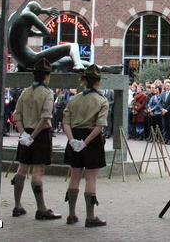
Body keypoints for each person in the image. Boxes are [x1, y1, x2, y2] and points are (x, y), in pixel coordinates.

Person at [11, 58, 61, 220]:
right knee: (37, 171)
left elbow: (17, 115)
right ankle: (41, 208)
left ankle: (17, 205)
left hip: (25, 132)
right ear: (46, 76)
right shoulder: (47, 93)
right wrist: (32, 137)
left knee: (22, 168)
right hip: (40, 135)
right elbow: (45, 118)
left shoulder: (25, 92)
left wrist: (23, 134)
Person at [63, 64, 109, 227]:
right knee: (91, 177)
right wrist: (85, 142)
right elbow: (100, 125)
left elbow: (65, 121)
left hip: (75, 135)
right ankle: (90, 216)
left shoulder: (74, 99)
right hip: (92, 140)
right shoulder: (101, 100)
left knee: (74, 175)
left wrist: (72, 140)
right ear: (98, 81)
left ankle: (71, 214)